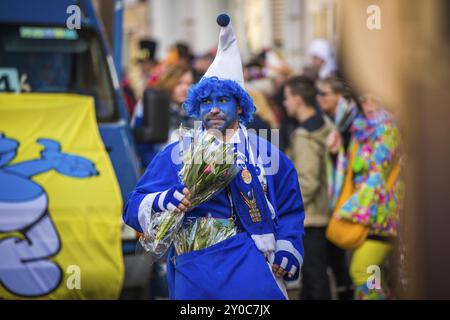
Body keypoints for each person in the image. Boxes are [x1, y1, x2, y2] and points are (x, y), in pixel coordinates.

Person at [123, 14, 305, 300]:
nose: (214, 109)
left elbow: (290, 209)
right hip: (194, 274)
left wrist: (288, 246)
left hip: (252, 271)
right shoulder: (177, 153)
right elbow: (133, 206)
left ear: (241, 107)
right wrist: (164, 200)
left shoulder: (268, 153)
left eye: (223, 100)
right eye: (206, 102)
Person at [336, 94, 403, 299]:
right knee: (374, 275)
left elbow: (377, 174)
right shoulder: (361, 130)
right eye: (364, 100)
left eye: (375, 99)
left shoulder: (389, 131)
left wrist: (350, 208)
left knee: (363, 270)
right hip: (365, 215)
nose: (369, 105)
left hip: (382, 216)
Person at [283, 76, 334, 299]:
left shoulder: (304, 136)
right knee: (317, 275)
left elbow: (307, 182)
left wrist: (288, 210)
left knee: (314, 277)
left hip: (311, 217)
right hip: (325, 210)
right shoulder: (326, 125)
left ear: (298, 99)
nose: (285, 104)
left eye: (287, 98)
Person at [317, 75, 358, 299]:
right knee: (339, 257)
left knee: (357, 261)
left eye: (324, 93)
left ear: (339, 96)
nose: (319, 98)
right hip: (338, 194)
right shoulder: (335, 121)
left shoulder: (351, 122)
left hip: (353, 195)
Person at [131, 64, 194, 167]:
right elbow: (141, 144)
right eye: (179, 83)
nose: (185, 88)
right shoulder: (152, 104)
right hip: (159, 169)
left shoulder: (194, 110)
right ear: (169, 82)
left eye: (189, 84)